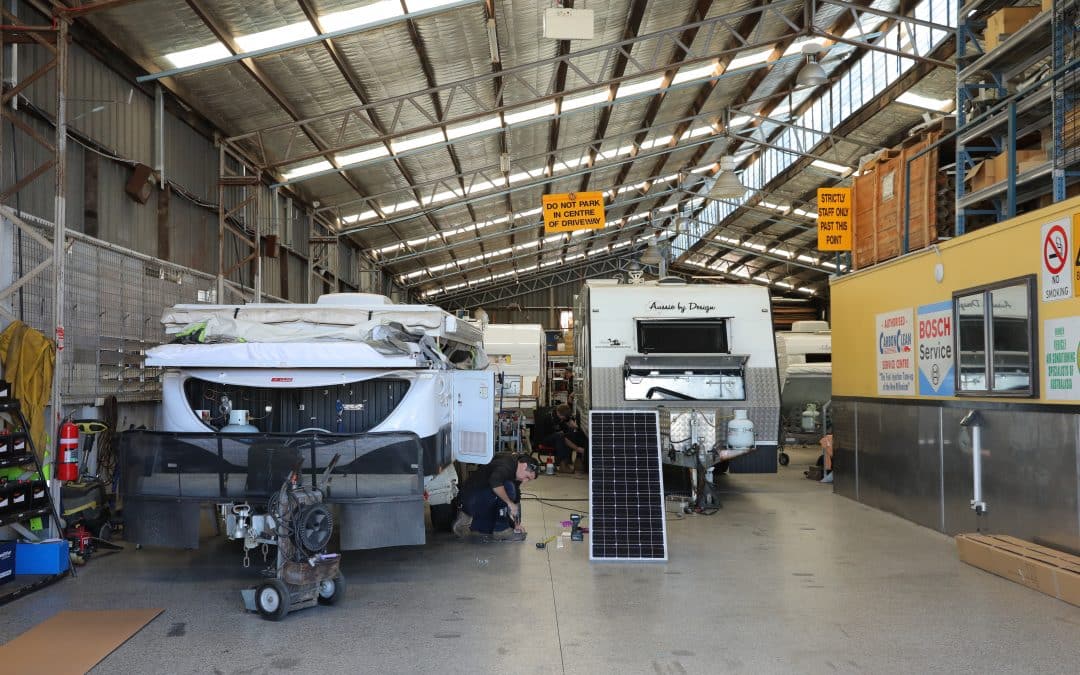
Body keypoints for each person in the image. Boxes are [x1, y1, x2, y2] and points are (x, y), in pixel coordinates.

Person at [452, 452, 539, 541]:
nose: (525, 481)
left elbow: (516, 498)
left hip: (479, 498)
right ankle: (501, 531)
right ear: (524, 466)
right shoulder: (506, 465)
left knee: (498, 525)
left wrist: (516, 524)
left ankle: (467, 523)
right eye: (527, 477)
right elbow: (495, 483)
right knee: (508, 487)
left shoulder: (516, 470)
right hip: (470, 499)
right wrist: (509, 503)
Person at [532, 404, 584, 473]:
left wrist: (576, 428)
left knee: (572, 433)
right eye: (562, 418)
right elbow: (562, 438)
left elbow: (568, 427)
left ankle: (573, 460)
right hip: (542, 440)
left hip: (552, 437)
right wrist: (577, 448)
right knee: (560, 436)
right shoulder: (549, 418)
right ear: (559, 413)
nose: (563, 419)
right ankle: (562, 465)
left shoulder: (558, 414)